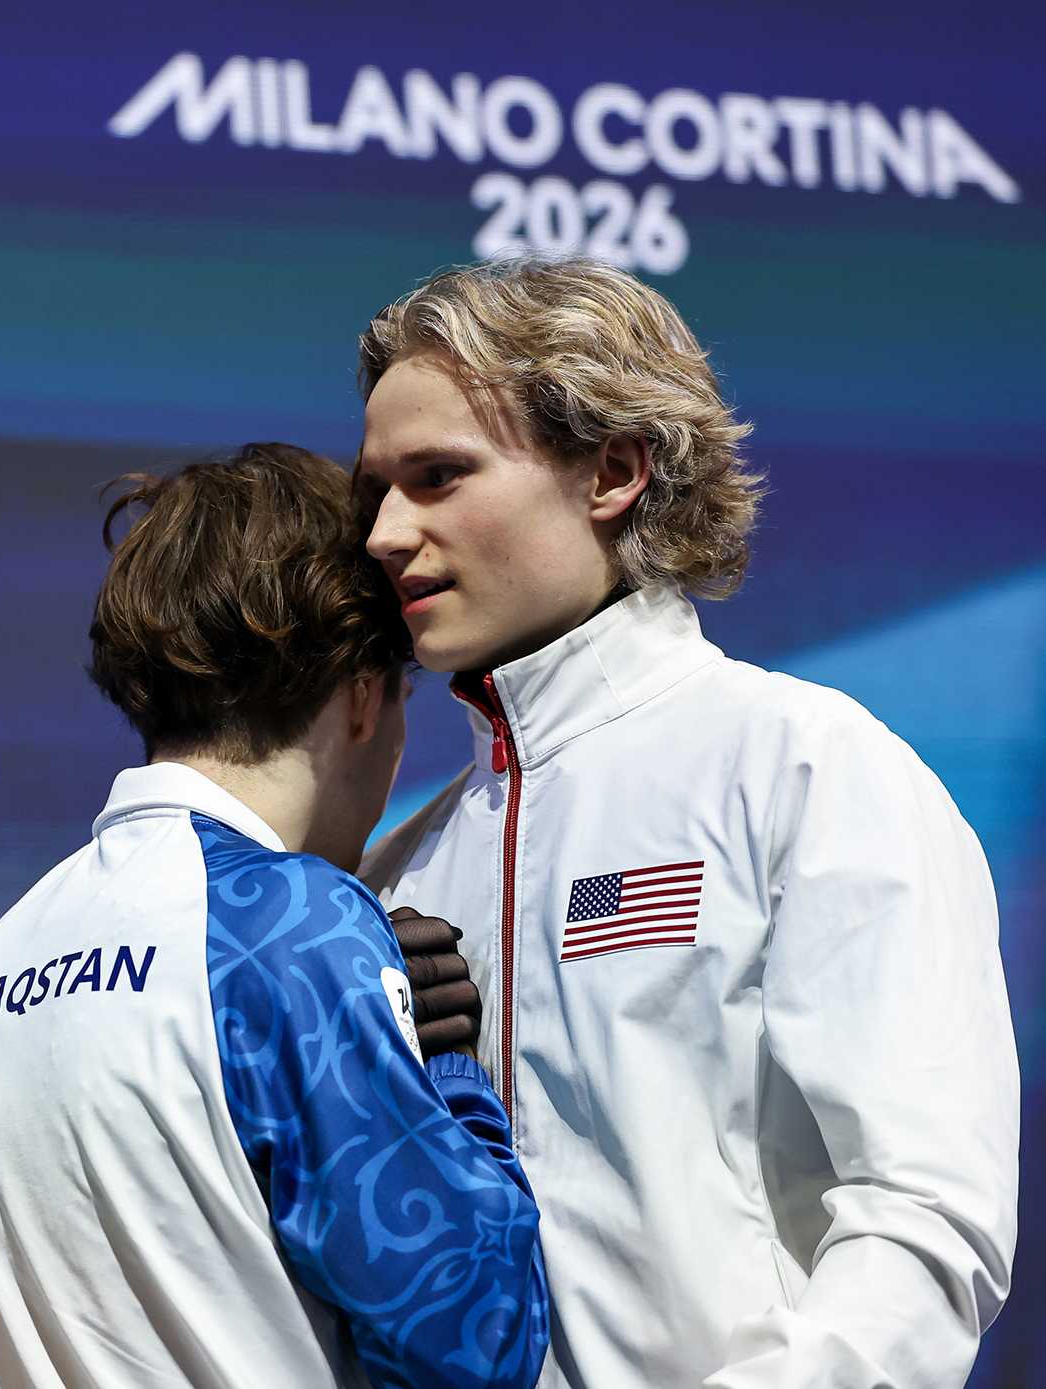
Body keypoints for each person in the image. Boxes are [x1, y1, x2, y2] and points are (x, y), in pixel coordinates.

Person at [354, 259, 1018, 1388]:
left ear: (610, 471)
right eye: (375, 488)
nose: (380, 531)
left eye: (436, 477)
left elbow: (924, 1221)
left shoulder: (801, 766)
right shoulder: (395, 869)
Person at [0, 442, 549, 1389]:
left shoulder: (0, 955)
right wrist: (451, 1073)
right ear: (360, 697)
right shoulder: (294, 924)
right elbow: (478, 1341)